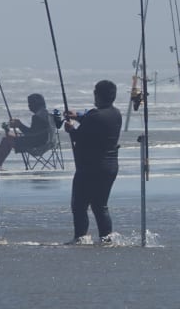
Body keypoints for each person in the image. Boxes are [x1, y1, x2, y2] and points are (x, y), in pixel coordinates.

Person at [64, 80, 122, 245]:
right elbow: (93, 123)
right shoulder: (115, 114)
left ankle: (80, 238)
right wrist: (78, 117)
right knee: (100, 205)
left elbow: (80, 138)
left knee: (79, 205)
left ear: (98, 95)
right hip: (110, 166)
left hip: (90, 168)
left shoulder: (94, 115)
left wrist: (70, 129)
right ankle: (106, 238)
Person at [0, 93, 57, 171]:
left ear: (36, 104)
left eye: (30, 103)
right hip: (49, 143)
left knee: (6, 140)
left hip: (38, 145)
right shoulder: (48, 114)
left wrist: (19, 125)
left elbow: (31, 134)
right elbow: (36, 133)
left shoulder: (37, 117)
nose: (29, 106)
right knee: (8, 137)